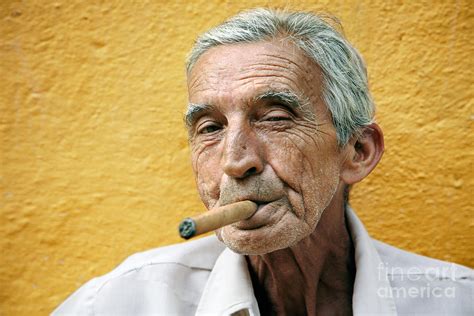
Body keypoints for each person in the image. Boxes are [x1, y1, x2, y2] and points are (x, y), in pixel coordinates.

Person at [53, 8, 473, 315]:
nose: (235, 163)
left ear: (357, 152)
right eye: (210, 128)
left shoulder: (455, 302)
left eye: (274, 119)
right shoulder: (123, 303)